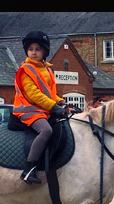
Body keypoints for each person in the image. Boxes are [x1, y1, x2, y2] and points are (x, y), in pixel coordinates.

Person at [12, 30, 75, 184]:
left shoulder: (47, 70)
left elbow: (50, 94)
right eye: (30, 49)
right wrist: (54, 107)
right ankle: (29, 169)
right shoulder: (25, 70)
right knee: (46, 130)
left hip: (42, 109)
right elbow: (34, 95)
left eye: (37, 49)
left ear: (44, 52)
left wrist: (62, 103)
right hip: (28, 110)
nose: (34, 52)